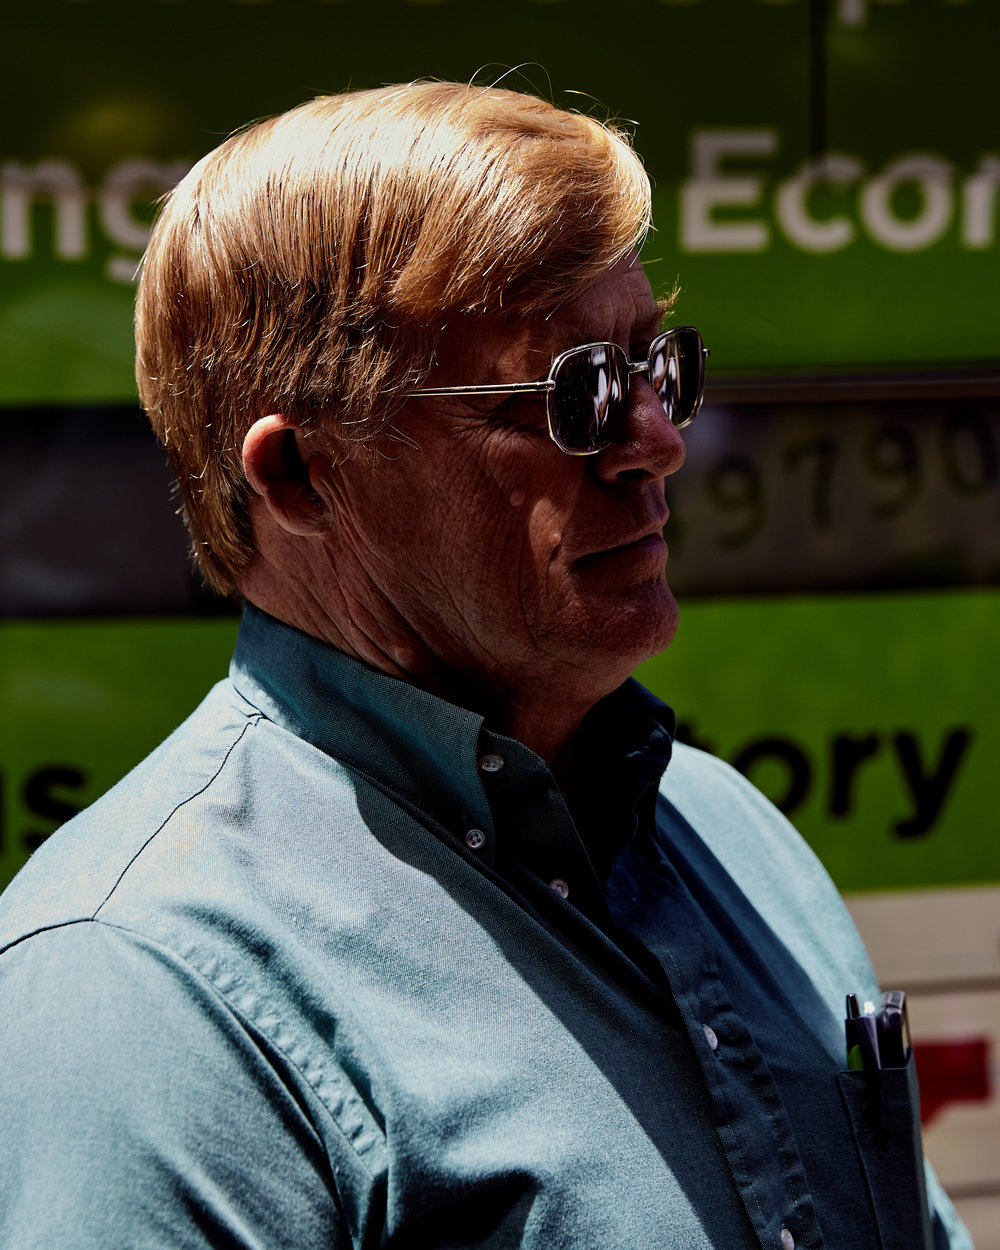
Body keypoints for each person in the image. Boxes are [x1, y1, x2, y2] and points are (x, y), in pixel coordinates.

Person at [0, 83, 970, 1249]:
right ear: (303, 476)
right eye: (574, 396)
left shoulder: (730, 834)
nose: (657, 439)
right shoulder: (143, 985)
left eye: (655, 366)